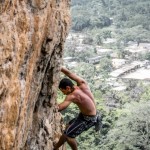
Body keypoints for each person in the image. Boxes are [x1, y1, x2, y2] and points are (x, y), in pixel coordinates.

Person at [54, 67, 98, 150]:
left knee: (69, 136)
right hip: (87, 115)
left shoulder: (72, 96)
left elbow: (61, 107)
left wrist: (52, 106)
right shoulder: (82, 83)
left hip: (88, 119)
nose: (64, 94)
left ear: (68, 88)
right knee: (68, 128)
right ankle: (55, 148)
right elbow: (69, 73)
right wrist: (59, 67)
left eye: (63, 91)